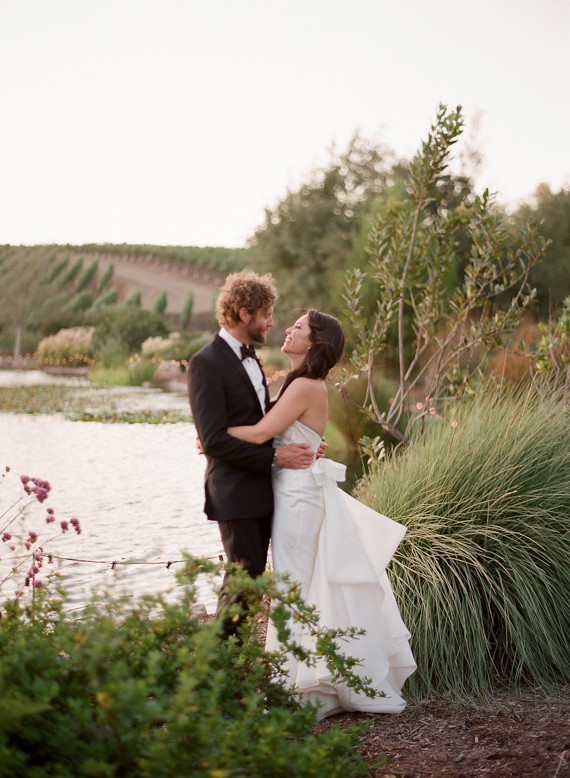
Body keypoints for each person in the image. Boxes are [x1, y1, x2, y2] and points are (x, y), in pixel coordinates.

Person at [227, 308, 416, 719]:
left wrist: (215, 436)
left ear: (314, 342)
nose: (289, 329)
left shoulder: (306, 386)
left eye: (299, 326)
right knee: (298, 588)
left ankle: (292, 687)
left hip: (298, 497)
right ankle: (303, 679)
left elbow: (260, 434)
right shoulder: (300, 384)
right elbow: (286, 435)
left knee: (291, 589)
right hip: (294, 490)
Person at [187, 270, 315, 639]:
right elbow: (213, 440)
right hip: (234, 490)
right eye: (266, 314)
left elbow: (260, 418)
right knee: (243, 585)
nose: (271, 323)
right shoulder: (206, 363)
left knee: (249, 581)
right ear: (245, 314)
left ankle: (228, 671)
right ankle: (219, 670)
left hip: (259, 489)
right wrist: (277, 459)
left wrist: (303, 435)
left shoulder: (250, 359)